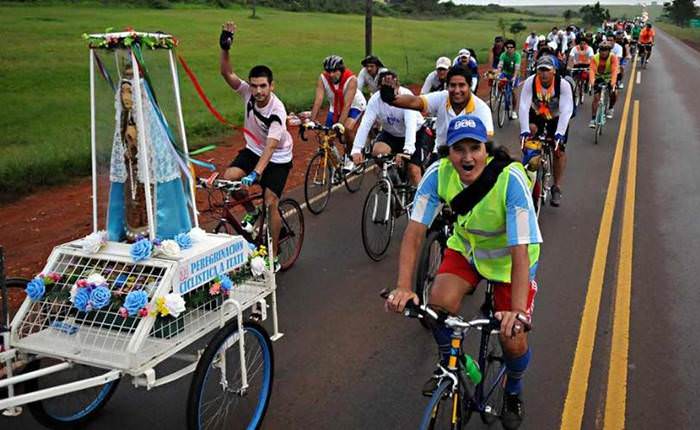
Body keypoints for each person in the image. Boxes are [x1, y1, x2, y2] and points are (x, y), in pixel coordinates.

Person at [386, 115, 541, 430]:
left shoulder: (510, 179)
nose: (467, 157)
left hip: (510, 262)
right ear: (448, 152)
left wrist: (516, 313)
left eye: (475, 148)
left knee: (513, 339)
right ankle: (451, 363)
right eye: (459, 149)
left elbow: (520, 250)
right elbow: (415, 232)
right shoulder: (438, 174)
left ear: (486, 150)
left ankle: (513, 388)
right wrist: (403, 287)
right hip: (467, 250)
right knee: (436, 307)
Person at [219, 21, 292, 265]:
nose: (258, 91)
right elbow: (227, 74)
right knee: (229, 179)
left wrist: (256, 174)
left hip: (278, 158)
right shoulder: (248, 94)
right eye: (254, 85)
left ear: (272, 86)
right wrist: (225, 47)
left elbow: (271, 147)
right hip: (253, 149)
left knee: (271, 202)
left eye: (263, 86)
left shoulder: (277, 111)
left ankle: (273, 255)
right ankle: (253, 212)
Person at [380, 65, 493, 153]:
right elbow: (415, 101)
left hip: (468, 158)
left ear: (469, 86)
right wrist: (391, 98)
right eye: (453, 85)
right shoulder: (442, 97)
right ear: (447, 86)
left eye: (462, 85)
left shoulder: (481, 109)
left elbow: (487, 141)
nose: (457, 90)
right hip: (442, 154)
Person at [351, 69, 433, 186]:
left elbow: (410, 125)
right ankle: (393, 183)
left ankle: (422, 202)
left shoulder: (406, 96)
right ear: (379, 88)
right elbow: (365, 124)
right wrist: (356, 150)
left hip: (416, 133)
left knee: (413, 170)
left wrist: (407, 151)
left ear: (397, 86)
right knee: (378, 153)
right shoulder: (375, 99)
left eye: (392, 89)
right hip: (391, 134)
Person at [518, 55, 574, 208]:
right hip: (536, 115)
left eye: (547, 70)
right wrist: (524, 131)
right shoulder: (530, 82)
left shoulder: (562, 85)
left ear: (554, 71)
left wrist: (559, 134)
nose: (543, 74)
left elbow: (567, 110)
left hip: (556, 117)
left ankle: (556, 186)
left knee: (558, 151)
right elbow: (523, 107)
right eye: (540, 70)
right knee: (529, 143)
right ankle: (529, 178)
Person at [310, 54, 367, 171]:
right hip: (335, 107)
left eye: (334, 71)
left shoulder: (351, 79)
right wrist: (311, 120)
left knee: (347, 128)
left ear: (341, 70)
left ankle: (353, 157)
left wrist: (339, 124)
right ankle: (337, 162)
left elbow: (347, 105)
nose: (331, 75)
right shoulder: (322, 79)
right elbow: (318, 100)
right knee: (326, 137)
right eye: (328, 71)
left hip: (354, 105)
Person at [589, 42, 619, 125]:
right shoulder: (595, 58)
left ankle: (611, 107)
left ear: (609, 51)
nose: (603, 52)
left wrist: (613, 83)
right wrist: (592, 82)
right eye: (602, 50)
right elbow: (591, 70)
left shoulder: (613, 57)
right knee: (596, 98)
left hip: (609, 77)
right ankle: (593, 119)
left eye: (605, 50)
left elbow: (615, 70)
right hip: (599, 77)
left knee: (614, 93)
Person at [497, 39, 521, 120]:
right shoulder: (503, 55)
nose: (509, 49)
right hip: (505, 73)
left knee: (514, 93)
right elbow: (500, 65)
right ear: (505, 48)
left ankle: (514, 111)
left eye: (511, 47)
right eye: (508, 47)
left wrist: (514, 77)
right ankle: (501, 95)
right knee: (499, 82)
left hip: (514, 74)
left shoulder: (517, 56)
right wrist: (498, 73)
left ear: (514, 48)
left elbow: (517, 68)